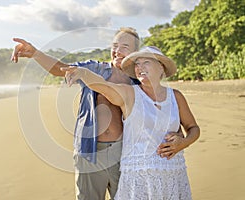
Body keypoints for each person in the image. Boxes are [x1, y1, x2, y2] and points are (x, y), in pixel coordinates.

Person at [11, 28, 184, 200]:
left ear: (134, 53)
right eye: (115, 45)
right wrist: (35, 53)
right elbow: (60, 69)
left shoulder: (138, 81)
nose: (117, 51)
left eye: (125, 46)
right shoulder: (94, 68)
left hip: (124, 154)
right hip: (90, 152)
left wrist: (178, 137)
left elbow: (158, 112)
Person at [62, 46, 200, 199]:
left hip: (173, 174)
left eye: (145, 62)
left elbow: (193, 128)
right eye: (137, 64)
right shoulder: (130, 93)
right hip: (137, 180)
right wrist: (83, 73)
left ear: (161, 67)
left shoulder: (176, 96)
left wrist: (183, 142)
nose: (139, 68)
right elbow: (103, 86)